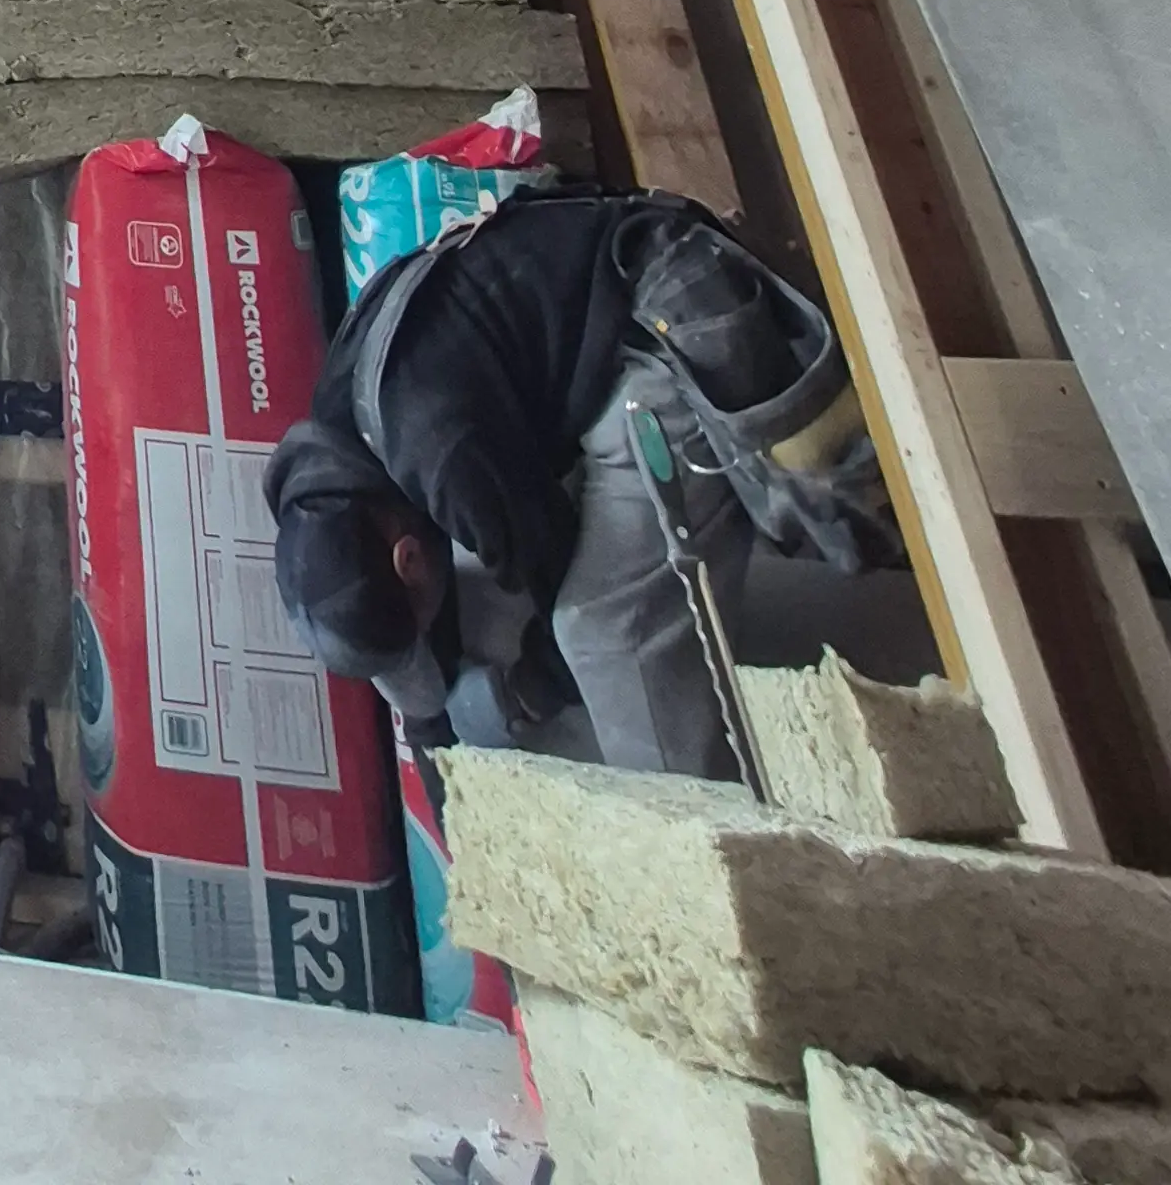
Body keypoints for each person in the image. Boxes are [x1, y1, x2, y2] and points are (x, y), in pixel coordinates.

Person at [264, 184, 899, 777]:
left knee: (599, 630)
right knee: (506, 587)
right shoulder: (332, 456)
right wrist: (437, 750)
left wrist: (522, 695)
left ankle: (696, 850)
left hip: (664, 319)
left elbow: (552, 564)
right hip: (594, 307)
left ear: (407, 558)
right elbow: (413, 650)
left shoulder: (440, 456)